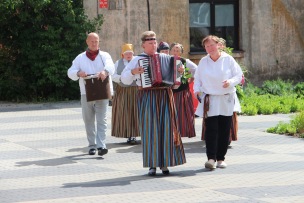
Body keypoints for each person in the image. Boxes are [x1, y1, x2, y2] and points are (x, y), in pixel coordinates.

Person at [121, 31, 186, 176]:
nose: (153, 45)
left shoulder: (166, 58)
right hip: (147, 95)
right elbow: (124, 80)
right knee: (150, 130)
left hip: (164, 95)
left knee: (167, 129)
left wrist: (180, 71)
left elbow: (177, 80)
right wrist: (133, 71)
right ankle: (152, 164)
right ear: (143, 45)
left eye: (155, 42)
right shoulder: (137, 59)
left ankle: (165, 163)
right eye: (150, 43)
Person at [193, 35, 243, 170]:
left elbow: (238, 75)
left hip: (226, 98)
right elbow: (197, 79)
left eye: (212, 45)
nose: (209, 48)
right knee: (211, 129)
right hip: (210, 99)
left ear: (219, 45)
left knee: (224, 129)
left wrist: (230, 82)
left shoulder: (228, 59)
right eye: (206, 46)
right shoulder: (203, 61)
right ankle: (211, 158)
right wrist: (197, 91)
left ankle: (221, 158)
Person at [67, 32, 115, 156]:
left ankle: (101, 145)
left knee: (102, 119)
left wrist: (105, 71)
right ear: (87, 42)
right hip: (86, 92)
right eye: (92, 41)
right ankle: (92, 145)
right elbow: (70, 72)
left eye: (96, 41)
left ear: (99, 42)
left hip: (102, 91)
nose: (94, 43)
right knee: (88, 119)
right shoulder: (80, 57)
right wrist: (78, 73)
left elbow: (111, 66)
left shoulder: (104, 55)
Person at [111, 43, 139, 144]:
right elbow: (113, 76)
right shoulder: (118, 63)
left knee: (136, 112)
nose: (128, 55)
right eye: (126, 53)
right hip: (123, 90)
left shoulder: (137, 61)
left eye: (130, 53)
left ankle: (135, 134)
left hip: (136, 90)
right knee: (125, 113)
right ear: (122, 54)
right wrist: (122, 78)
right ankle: (129, 134)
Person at [169, 42, 197, 138]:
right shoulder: (166, 61)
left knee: (183, 113)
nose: (175, 52)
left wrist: (191, 77)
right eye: (174, 50)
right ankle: (172, 132)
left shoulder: (185, 61)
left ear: (181, 52)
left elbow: (196, 70)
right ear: (170, 51)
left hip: (182, 91)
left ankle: (184, 131)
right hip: (170, 91)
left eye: (178, 51)